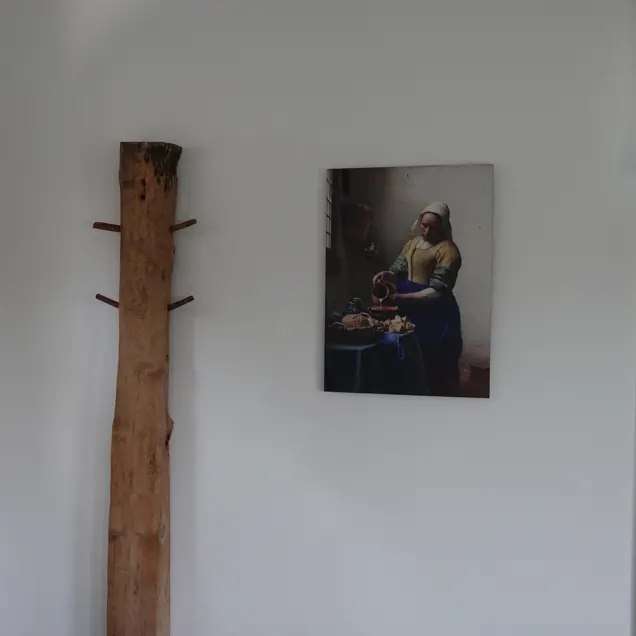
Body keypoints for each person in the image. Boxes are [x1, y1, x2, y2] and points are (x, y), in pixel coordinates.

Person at [373, 201, 463, 396]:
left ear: (442, 227)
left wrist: (403, 297)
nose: (427, 230)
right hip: (409, 308)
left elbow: (437, 292)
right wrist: (386, 275)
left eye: (433, 227)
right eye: (424, 225)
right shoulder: (413, 244)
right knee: (407, 354)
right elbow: (398, 269)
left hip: (435, 312)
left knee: (434, 359)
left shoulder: (448, 251)